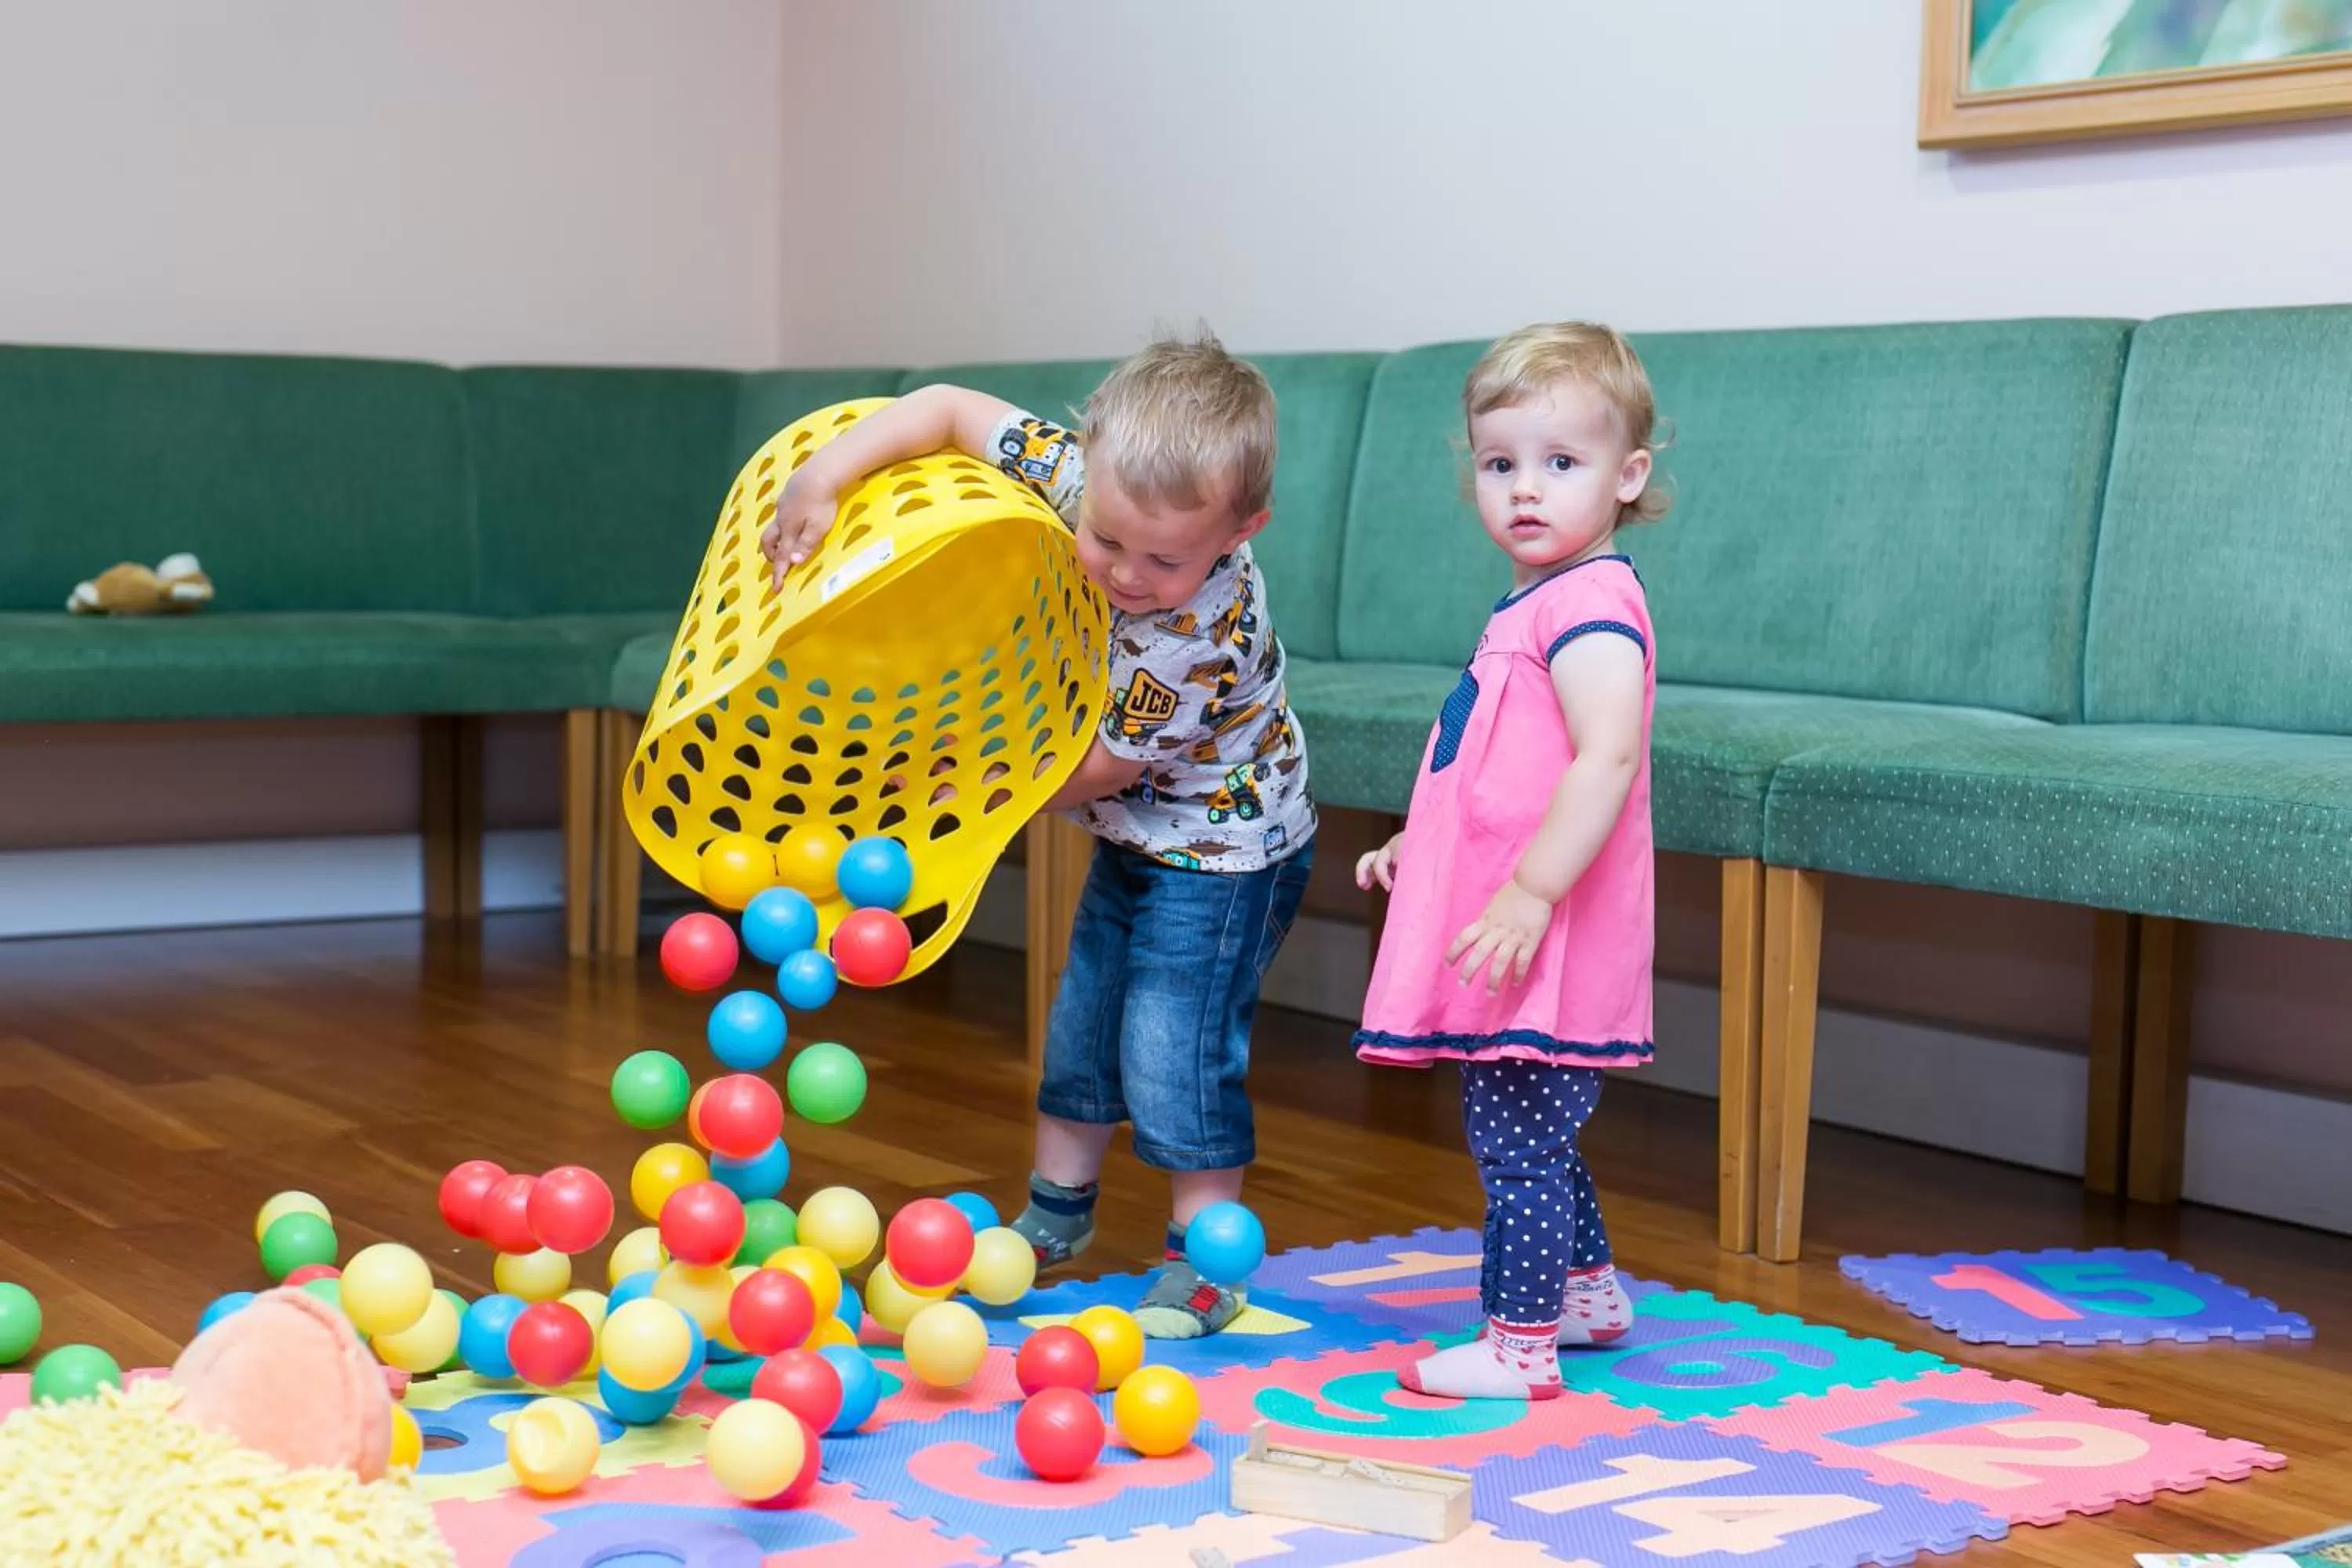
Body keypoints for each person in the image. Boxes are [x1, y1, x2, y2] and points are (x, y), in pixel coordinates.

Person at [763, 328, 1315, 1338]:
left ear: (1243, 532)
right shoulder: (1086, 480)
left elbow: (1093, 770)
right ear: (1086, 464)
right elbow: (942, 403)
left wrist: (945, 784)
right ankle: (1054, 1217)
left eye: (1166, 559)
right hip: (1137, 836)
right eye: (1106, 541)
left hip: (1230, 853)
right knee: (1084, 1021)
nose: (1127, 574)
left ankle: (1206, 1256)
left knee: (1173, 1047)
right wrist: (824, 475)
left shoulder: (1201, 635)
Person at [1352, 321, 1664, 1399]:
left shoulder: (1589, 606)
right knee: (1534, 1120)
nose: (1525, 489)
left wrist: (1531, 892)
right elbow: (1495, 760)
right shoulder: (1540, 598)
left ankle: (1520, 1345)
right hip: (1514, 919)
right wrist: (1423, 843)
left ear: (1628, 477)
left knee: (1515, 1137)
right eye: (1501, 464)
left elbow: (1606, 754)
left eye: (1561, 464)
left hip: (1554, 937)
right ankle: (1586, 1293)